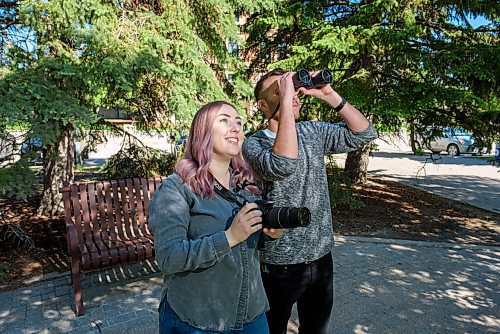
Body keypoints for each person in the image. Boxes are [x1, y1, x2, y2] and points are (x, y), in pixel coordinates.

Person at [242, 68, 378, 334]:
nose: (292, 96)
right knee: (272, 329)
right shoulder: (253, 144)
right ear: (263, 104)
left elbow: (364, 134)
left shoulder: (311, 131)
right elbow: (282, 164)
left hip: (320, 256)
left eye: (293, 89)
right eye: (281, 90)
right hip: (280, 261)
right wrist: (286, 102)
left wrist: (329, 96)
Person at [148, 101, 283, 333]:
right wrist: (229, 237)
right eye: (224, 120)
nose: (236, 127)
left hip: (251, 311)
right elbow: (169, 258)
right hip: (200, 317)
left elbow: (249, 245)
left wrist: (270, 236)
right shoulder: (177, 189)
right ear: (203, 132)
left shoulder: (245, 185)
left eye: (239, 122)